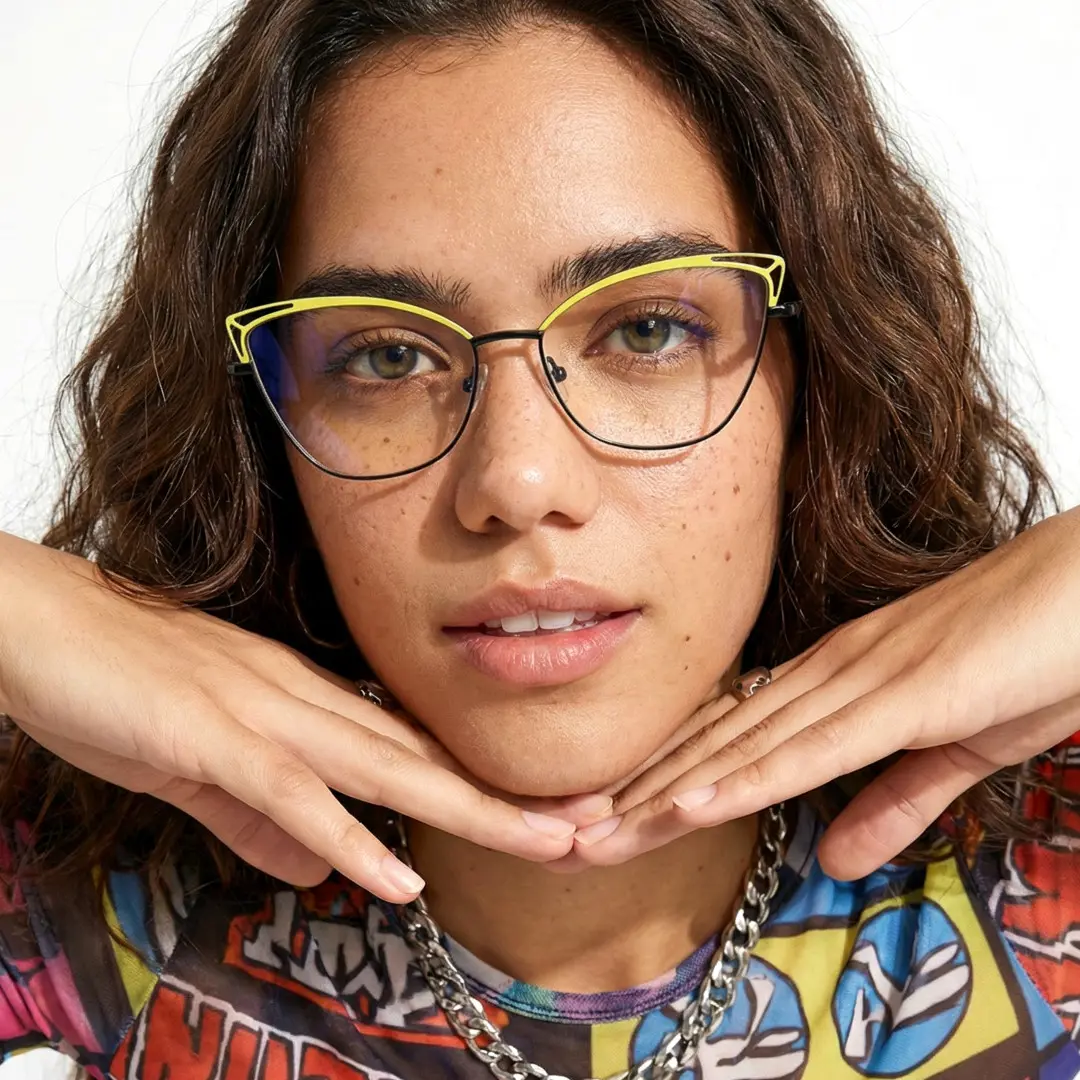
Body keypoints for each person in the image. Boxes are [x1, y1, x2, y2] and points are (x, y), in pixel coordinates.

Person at [0, 0, 1078, 1077]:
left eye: (648, 330)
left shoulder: (1045, 845)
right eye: (383, 357)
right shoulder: (87, 878)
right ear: (256, 433)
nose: (516, 481)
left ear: (824, 370)